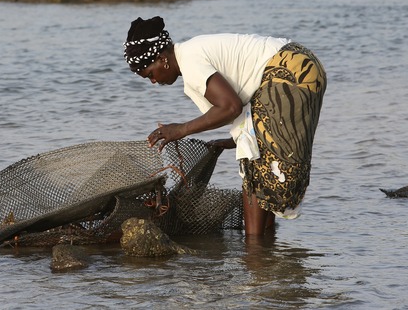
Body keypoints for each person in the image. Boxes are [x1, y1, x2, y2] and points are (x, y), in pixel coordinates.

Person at [123, 16, 326, 236]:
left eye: (150, 75)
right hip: (301, 65)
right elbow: (247, 100)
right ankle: (264, 249)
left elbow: (230, 107)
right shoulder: (191, 53)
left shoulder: (190, 62)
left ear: (162, 59)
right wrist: (234, 141)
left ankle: (255, 251)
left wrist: (179, 130)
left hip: (289, 71)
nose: (154, 82)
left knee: (257, 166)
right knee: (258, 159)